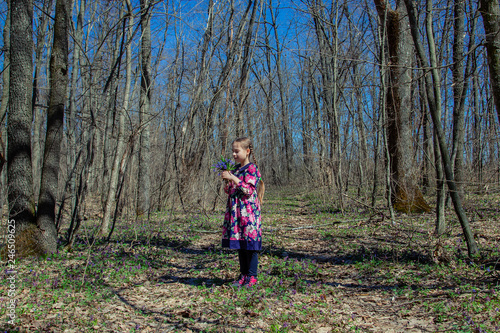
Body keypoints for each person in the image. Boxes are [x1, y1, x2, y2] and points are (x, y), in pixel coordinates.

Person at [221, 137, 265, 287]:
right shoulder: (235, 170)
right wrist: (228, 181)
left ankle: (252, 276)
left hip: (249, 213)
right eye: (232, 151)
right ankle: (243, 275)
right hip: (236, 214)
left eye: (236, 151)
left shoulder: (252, 169)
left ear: (247, 152)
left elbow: (247, 190)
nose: (233, 154)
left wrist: (233, 178)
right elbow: (230, 191)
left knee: (251, 245)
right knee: (240, 245)